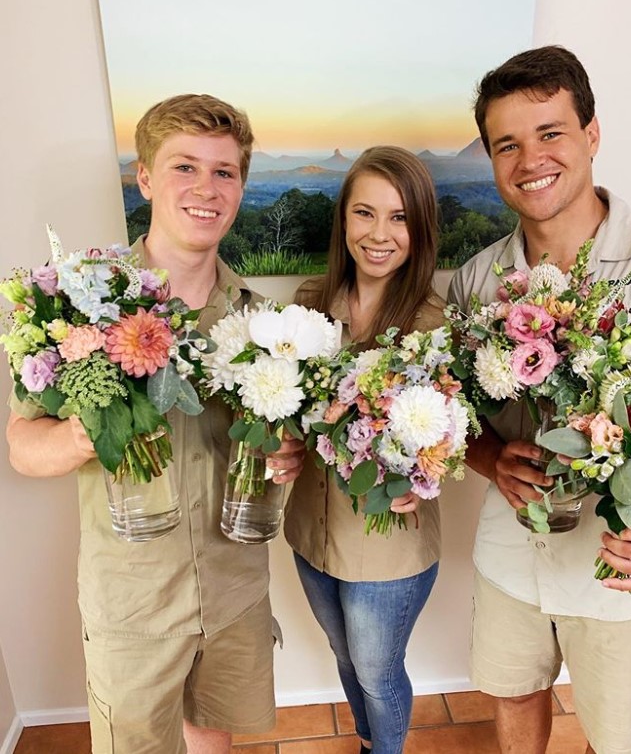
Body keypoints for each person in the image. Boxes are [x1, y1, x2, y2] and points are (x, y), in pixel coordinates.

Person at [5, 94, 304, 754]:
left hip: (234, 592)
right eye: (184, 167)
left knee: (213, 734)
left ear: (241, 186)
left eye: (224, 172)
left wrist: (289, 452)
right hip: (132, 606)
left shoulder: (262, 321)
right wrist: (86, 432)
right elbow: (23, 447)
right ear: (143, 177)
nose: (206, 188)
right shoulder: (81, 308)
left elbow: (284, 448)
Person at [447, 46, 631, 754]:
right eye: (506, 144)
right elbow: (455, 415)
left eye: (549, 132)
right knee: (514, 692)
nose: (530, 160)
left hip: (622, 568)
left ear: (590, 133)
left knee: (616, 739)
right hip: (509, 554)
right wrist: (491, 457)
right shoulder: (475, 280)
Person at [283, 146, 444, 754]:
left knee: (378, 672)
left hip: (387, 548)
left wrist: (424, 479)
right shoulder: (305, 304)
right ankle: (367, 741)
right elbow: (290, 415)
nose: (379, 235)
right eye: (365, 213)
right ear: (344, 221)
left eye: (399, 217)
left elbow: (449, 435)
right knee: (345, 658)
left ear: (421, 227)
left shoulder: (432, 325)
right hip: (310, 530)